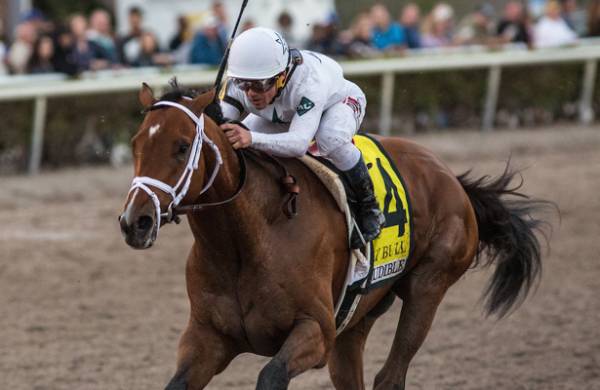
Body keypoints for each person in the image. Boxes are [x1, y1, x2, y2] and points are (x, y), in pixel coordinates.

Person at [219, 27, 385, 248]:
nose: (250, 93)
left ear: (281, 77)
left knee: (329, 138)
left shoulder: (309, 83)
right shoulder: (244, 80)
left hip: (337, 104)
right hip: (285, 112)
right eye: (243, 84)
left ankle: (368, 205)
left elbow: (298, 143)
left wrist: (251, 137)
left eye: (259, 85)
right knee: (237, 142)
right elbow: (220, 127)